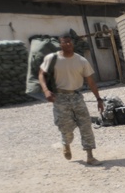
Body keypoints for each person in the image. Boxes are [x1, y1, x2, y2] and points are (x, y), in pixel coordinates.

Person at [38, 33, 103, 165]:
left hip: (77, 96)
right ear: (60, 44)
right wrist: (46, 90)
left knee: (86, 125)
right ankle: (66, 143)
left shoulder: (81, 60)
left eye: (69, 42)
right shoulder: (52, 58)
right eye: (64, 42)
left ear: (72, 43)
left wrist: (99, 99)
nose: (68, 44)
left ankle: (90, 156)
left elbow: (90, 81)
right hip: (60, 97)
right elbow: (41, 74)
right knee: (66, 127)